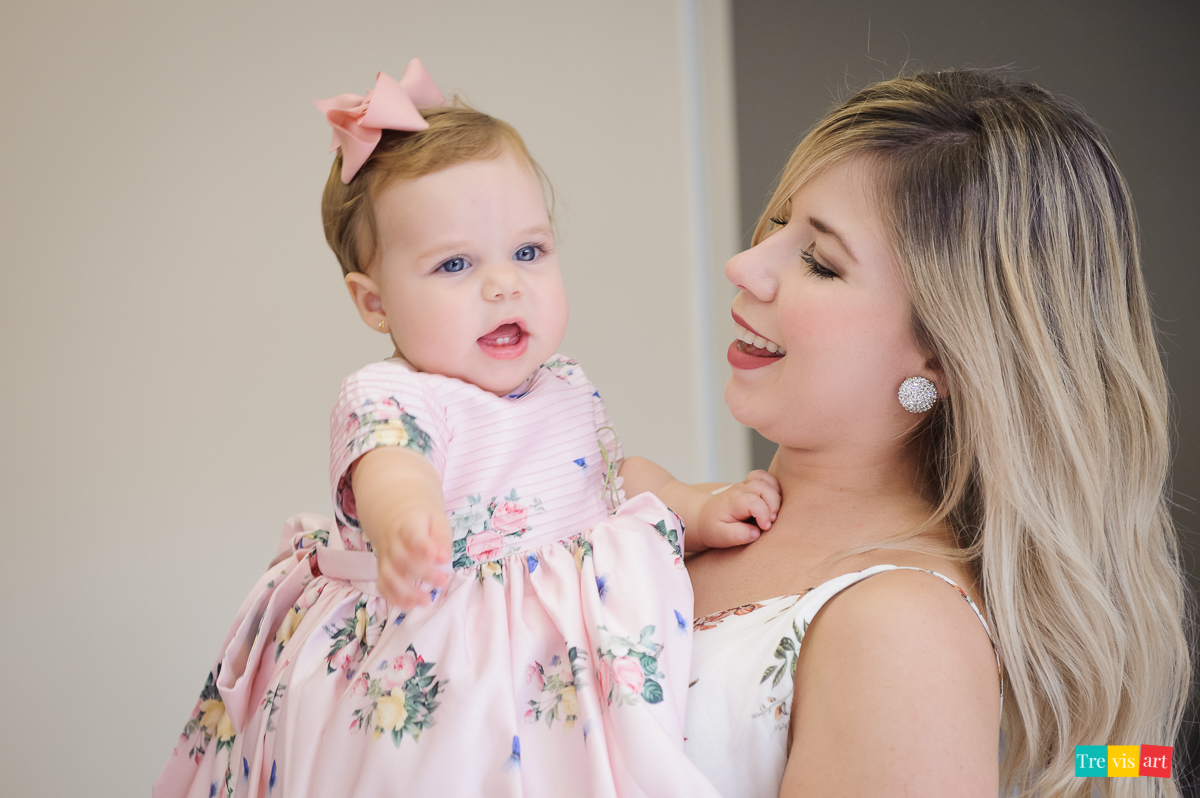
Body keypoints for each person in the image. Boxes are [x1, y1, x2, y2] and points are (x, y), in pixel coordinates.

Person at [154, 60, 777, 798]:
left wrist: (694, 505)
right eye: (455, 263)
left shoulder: (563, 383)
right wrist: (406, 524)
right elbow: (391, 466)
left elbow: (610, 485)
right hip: (448, 657)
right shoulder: (394, 394)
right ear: (374, 303)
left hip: (551, 671)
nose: (504, 283)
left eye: (528, 252)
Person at [676, 69, 1192, 797]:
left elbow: (1101, 763)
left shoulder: (902, 635)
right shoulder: (683, 515)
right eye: (779, 223)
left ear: (946, 355)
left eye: (821, 261)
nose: (744, 265)